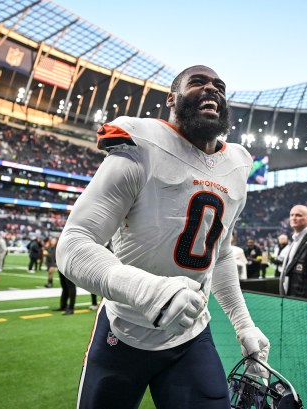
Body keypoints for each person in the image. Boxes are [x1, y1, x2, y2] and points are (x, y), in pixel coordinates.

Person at [56, 65, 270, 409]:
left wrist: (244, 325)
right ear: (172, 99)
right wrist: (147, 291)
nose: (211, 88)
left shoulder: (237, 166)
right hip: (124, 331)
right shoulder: (142, 145)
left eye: (219, 86)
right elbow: (74, 242)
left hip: (191, 335)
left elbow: (222, 254)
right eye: (197, 82)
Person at [49, 238, 75, 314]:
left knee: (71, 287)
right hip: (61, 268)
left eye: (54, 240)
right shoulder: (56, 248)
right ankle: (63, 305)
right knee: (64, 287)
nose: (52, 241)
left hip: (68, 268)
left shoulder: (67, 246)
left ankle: (71, 308)